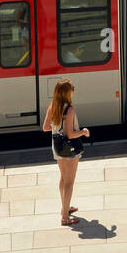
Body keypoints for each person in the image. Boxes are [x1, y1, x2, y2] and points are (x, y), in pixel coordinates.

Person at [43, 79, 90, 227]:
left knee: (63, 178)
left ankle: (65, 206)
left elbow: (45, 127)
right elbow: (70, 135)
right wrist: (83, 132)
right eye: (72, 88)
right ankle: (65, 217)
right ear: (67, 92)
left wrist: (57, 129)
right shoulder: (69, 110)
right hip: (69, 149)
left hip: (57, 147)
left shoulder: (52, 107)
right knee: (69, 181)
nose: (74, 90)